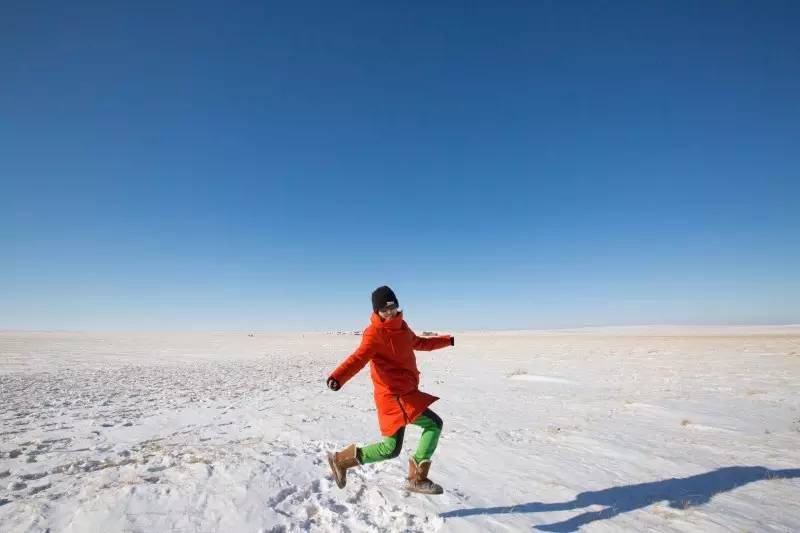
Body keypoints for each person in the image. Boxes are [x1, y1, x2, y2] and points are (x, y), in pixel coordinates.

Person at [326, 285, 454, 494]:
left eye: (392, 307)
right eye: (384, 310)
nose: (390, 312)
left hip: (407, 392)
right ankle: (417, 479)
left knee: (390, 449)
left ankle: (340, 460)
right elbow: (358, 358)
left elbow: (419, 342)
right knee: (434, 424)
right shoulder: (374, 334)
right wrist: (338, 377)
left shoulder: (402, 327)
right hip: (393, 397)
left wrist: (447, 341)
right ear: (376, 311)